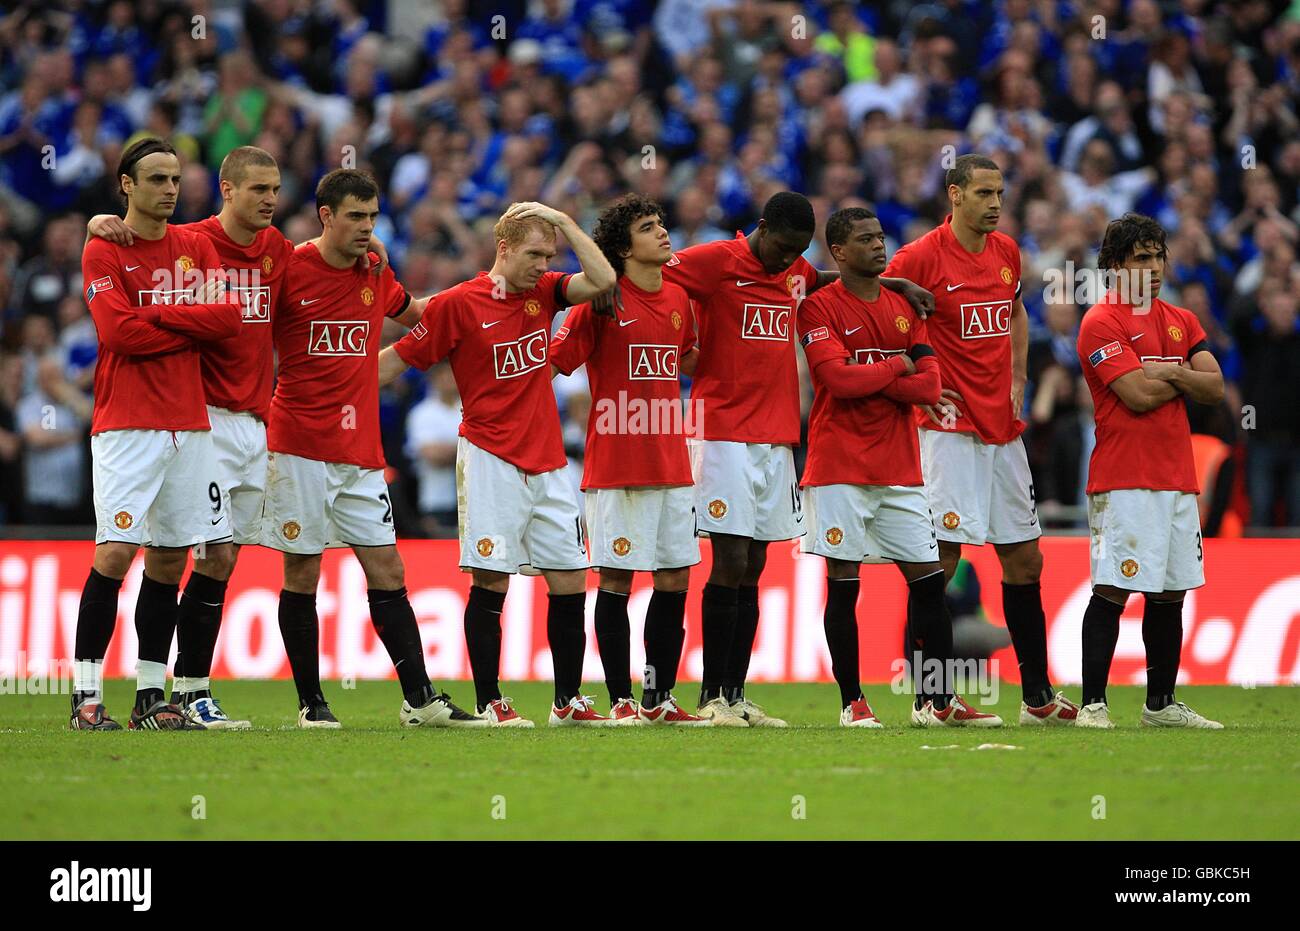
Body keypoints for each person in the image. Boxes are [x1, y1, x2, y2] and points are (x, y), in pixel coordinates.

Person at [657, 190, 933, 726]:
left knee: (756, 565)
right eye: (782, 248)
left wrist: (893, 282)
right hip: (722, 433)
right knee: (730, 560)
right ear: (762, 229)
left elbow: (820, 278)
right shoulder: (715, 261)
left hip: (777, 436)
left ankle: (735, 696)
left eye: (797, 253)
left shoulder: (796, 270)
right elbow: (650, 274)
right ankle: (711, 696)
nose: (788, 262)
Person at [377, 201, 617, 727]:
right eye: (534, 253)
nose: (542, 263)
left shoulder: (544, 291)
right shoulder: (457, 304)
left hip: (550, 461)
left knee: (571, 579)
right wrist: (331, 390)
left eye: (548, 254)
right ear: (503, 249)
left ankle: (568, 703)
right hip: (490, 458)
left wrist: (567, 225)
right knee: (492, 580)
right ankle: (490, 701)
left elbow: (601, 279)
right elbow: (400, 359)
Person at [262, 168, 478, 729]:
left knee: (387, 567)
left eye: (373, 217)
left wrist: (478, 299)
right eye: (355, 216)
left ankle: (420, 699)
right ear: (325, 215)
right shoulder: (288, 267)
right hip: (298, 445)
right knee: (302, 573)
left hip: (360, 452)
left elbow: (415, 313)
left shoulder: (374, 270)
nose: (366, 227)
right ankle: (312, 704)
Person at [884, 154, 1079, 725]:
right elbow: (880, 318)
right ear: (954, 195)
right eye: (984, 193)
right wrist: (918, 385)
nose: (995, 203)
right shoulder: (919, 257)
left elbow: (1015, 312)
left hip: (1001, 431)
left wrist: (1019, 375)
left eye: (1000, 193)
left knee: (1025, 560)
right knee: (939, 564)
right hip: (946, 433)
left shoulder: (1007, 253)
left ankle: (1038, 698)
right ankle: (931, 698)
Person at [799, 207, 1001, 727]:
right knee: (843, 583)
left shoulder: (904, 306)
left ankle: (935, 702)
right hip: (838, 464)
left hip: (900, 468)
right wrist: (897, 367)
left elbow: (930, 386)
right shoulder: (818, 308)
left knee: (929, 581)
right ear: (838, 252)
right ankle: (852, 702)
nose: (878, 245)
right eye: (865, 240)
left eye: (880, 237)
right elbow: (836, 383)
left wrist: (873, 372)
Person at [70, 137, 243, 731]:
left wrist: (160, 316)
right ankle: (86, 697)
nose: (170, 190)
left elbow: (228, 319)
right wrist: (188, 324)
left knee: (171, 559)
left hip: (190, 426)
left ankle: (150, 695)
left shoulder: (194, 245)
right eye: (157, 180)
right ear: (127, 185)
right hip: (127, 425)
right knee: (117, 552)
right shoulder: (104, 248)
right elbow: (118, 336)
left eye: (176, 180)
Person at [549, 194, 708, 725]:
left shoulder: (681, 299)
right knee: (617, 582)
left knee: (674, 579)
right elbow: (553, 365)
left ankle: (657, 699)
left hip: (671, 464)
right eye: (648, 227)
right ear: (622, 248)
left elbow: (690, 358)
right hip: (617, 465)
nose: (663, 232)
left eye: (661, 222)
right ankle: (620, 699)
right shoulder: (600, 301)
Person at [1075, 213, 1225, 729]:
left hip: (1177, 477)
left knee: (1171, 592)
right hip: (1125, 476)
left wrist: (1163, 369)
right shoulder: (1102, 321)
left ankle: (1160, 705)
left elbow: (1217, 388)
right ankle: (1093, 705)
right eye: (1143, 257)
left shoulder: (1182, 318)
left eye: (1159, 255)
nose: (1155, 266)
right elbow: (1135, 396)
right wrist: (1182, 376)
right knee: (1113, 589)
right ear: (1117, 265)